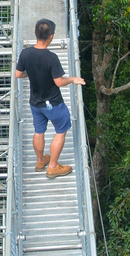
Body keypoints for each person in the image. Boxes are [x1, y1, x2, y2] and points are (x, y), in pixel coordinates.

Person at [14, 18, 86, 178]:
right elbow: (59, 82)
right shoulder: (51, 58)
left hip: (35, 102)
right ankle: (52, 166)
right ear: (51, 36)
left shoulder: (25, 53)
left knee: (39, 130)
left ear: (35, 33)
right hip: (53, 104)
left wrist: (31, 73)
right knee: (61, 131)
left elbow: (18, 74)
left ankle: (40, 161)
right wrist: (73, 79)